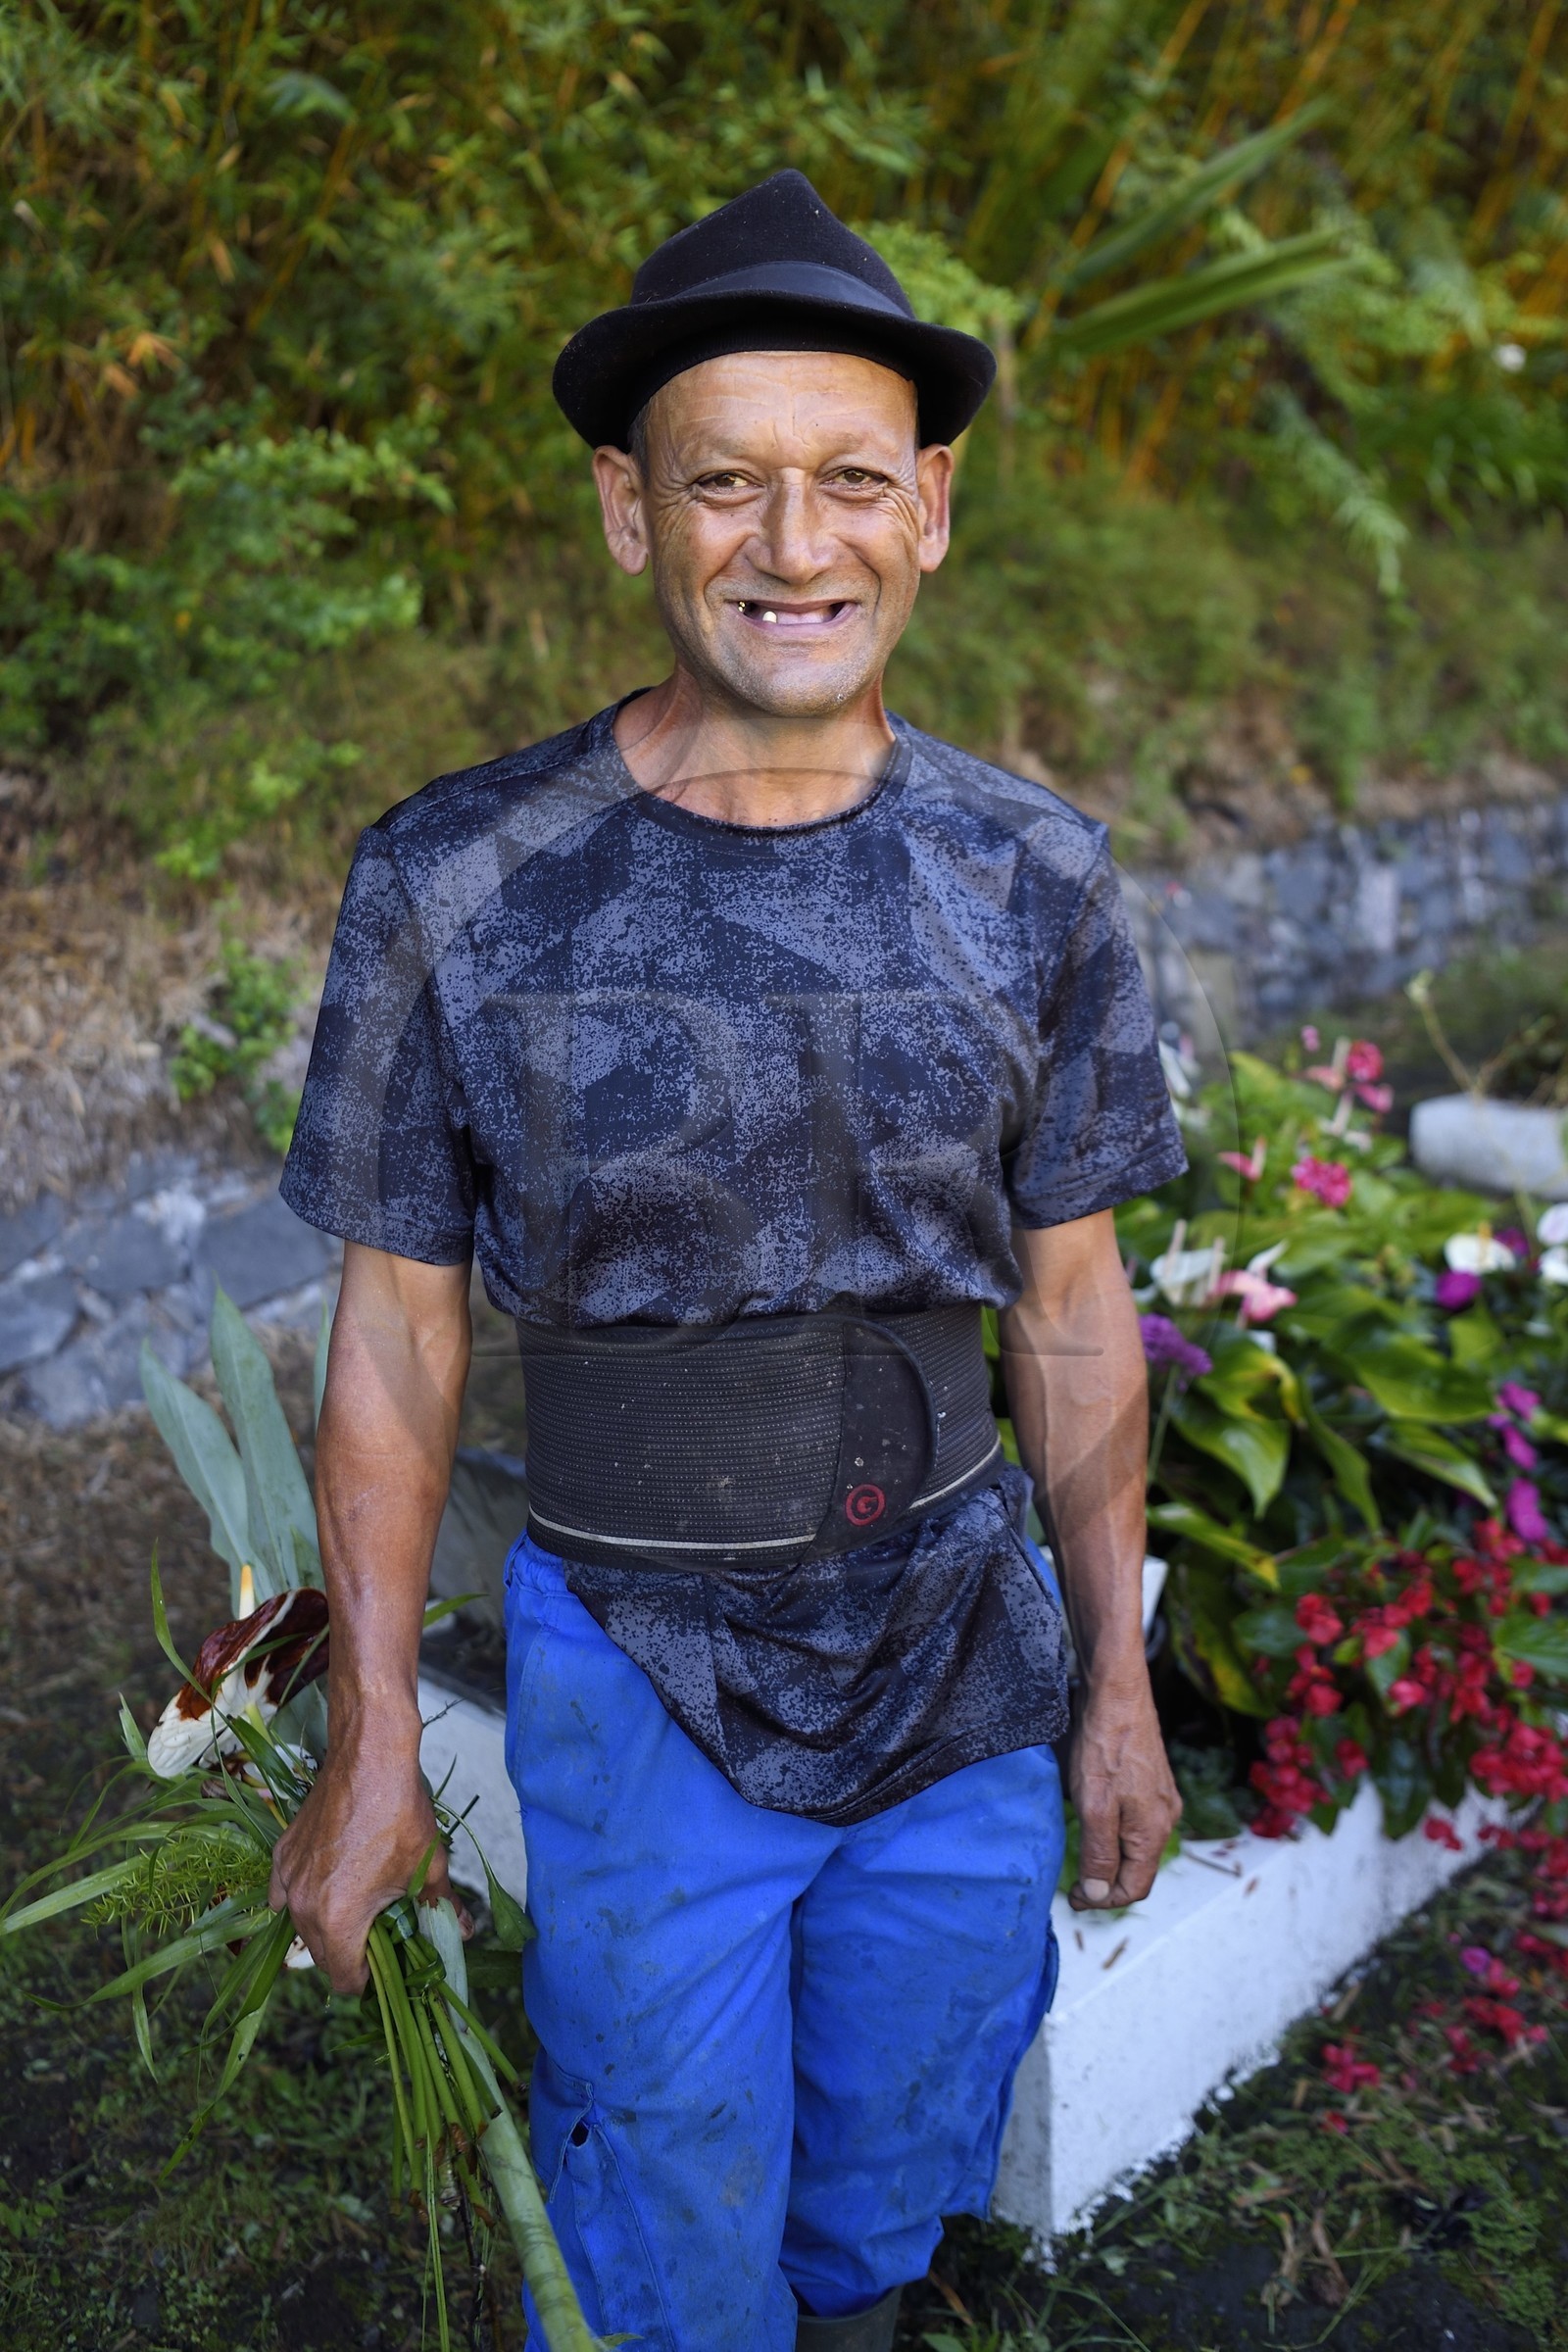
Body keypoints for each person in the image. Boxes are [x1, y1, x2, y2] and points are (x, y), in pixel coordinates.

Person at [272, 170, 1185, 2351]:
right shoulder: (455, 881)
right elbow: (398, 1337)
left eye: (851, 480)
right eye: (728, 487)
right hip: (642, 1666)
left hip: (961, 1659)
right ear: (627, 510)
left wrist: (1113, 1687)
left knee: (882, 2181)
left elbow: (1067, 1311)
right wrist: (373, 1732)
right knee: (665, 2219)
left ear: (931, 508)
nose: (796, 547)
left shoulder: (1031, 872)